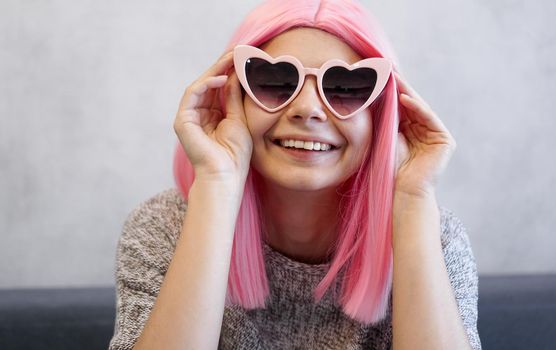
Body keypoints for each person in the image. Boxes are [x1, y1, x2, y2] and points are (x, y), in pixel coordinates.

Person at [108, 0, 482, 349]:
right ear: (231, 98)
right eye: (274, 80)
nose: (308, 109)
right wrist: (217, 184)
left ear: (381, 116)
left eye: (346, 87)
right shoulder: (162, 227)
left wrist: (413, 202)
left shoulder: (435, 238)